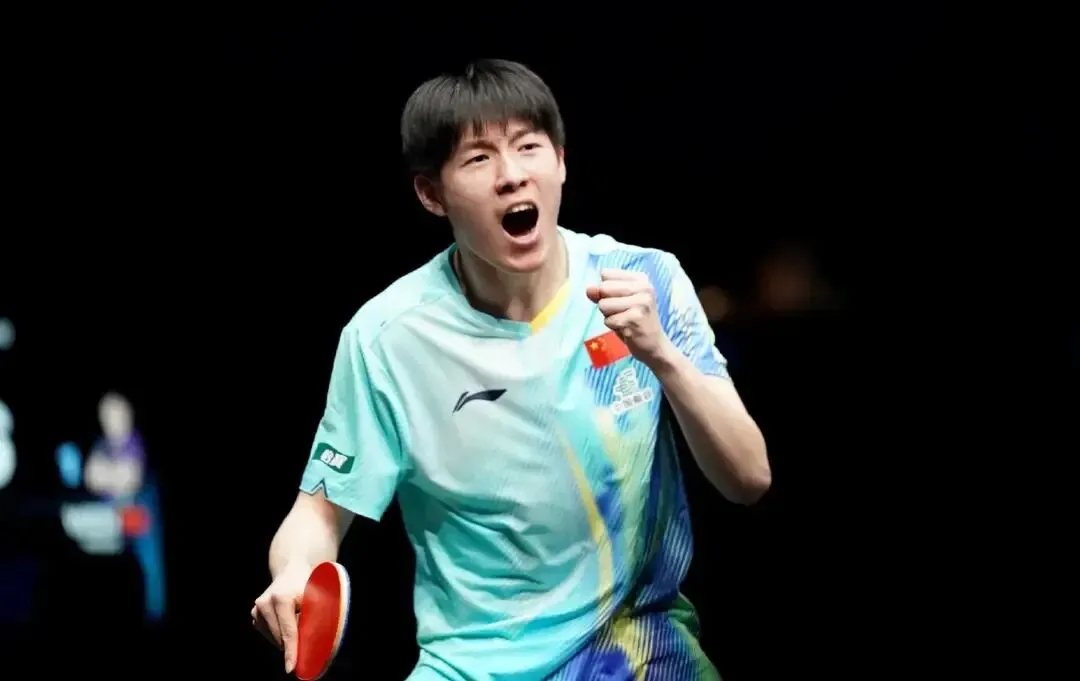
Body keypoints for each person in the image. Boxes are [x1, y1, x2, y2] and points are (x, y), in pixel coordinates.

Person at [252, 59, 770, 680]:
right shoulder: (387, 338)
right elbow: (318, 512)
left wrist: (662, 355)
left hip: (639, 651)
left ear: (561, 162)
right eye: (478, 159)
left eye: (528, 147)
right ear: (431, 195)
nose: (511, 175)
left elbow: (749, 477)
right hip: (473, 666)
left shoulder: (644, 280)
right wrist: (293, 574)